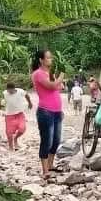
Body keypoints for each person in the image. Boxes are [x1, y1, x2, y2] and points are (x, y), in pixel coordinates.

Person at [31, 49, 64, 177]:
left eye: (51, 57)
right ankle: (45, 171)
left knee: (56, 140)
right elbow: (51, 86)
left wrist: (58, 81)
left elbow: (59, 87)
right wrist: (61, 76)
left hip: (57, 111)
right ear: (41, 60)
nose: (51, 60)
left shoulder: (50, 73)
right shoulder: (38, 74)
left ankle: (50, 165)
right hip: (46, 111)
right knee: (47, 141)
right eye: (48, 57)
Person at [3, 80, 33, 150]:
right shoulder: (4, 93)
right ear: (7, 89)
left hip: (19, 114)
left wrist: (30, 103)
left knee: (22, 129)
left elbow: (27, 95)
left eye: (11, 90)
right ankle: (11, 147)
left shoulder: (20, 91)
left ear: (14, 89)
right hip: (9, 115)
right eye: (8, 90)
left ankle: (15, 138)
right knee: (9, 133)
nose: (9, 92)